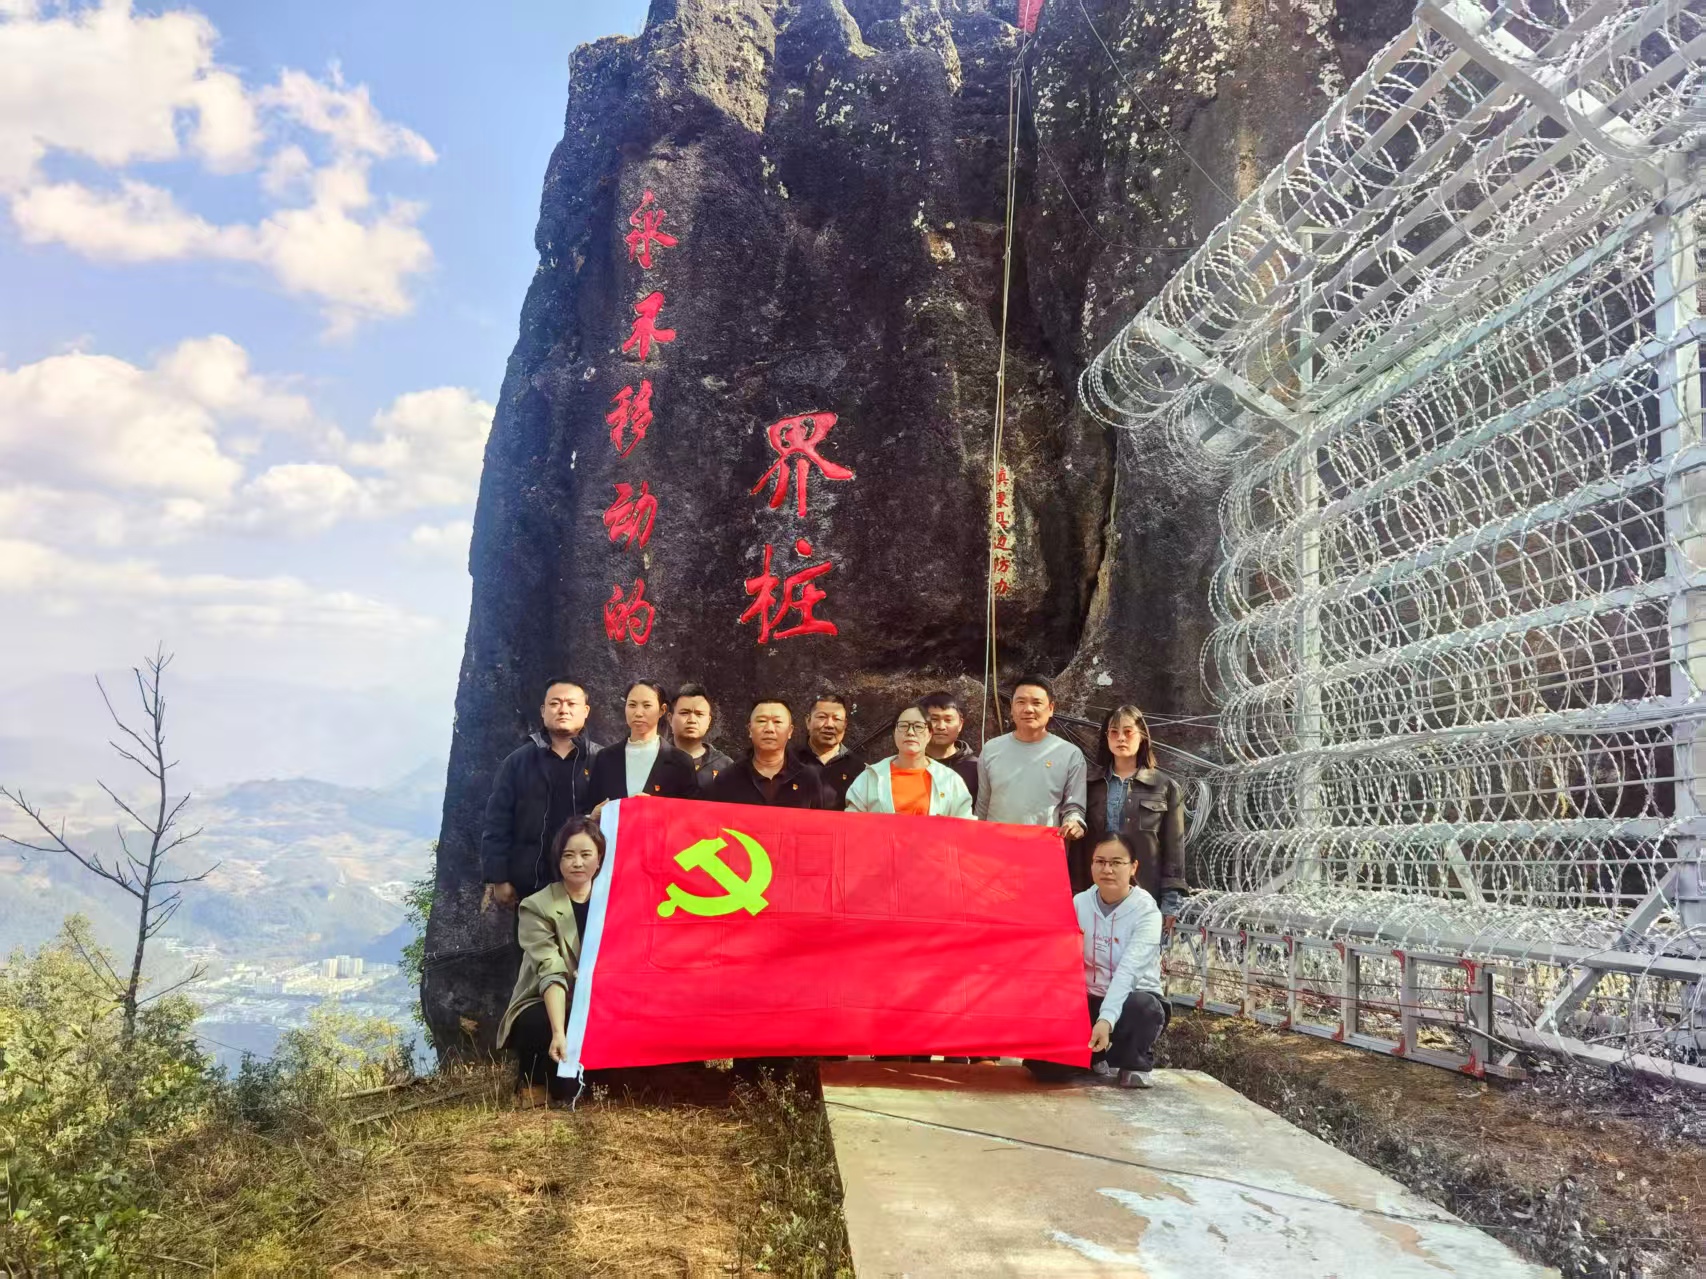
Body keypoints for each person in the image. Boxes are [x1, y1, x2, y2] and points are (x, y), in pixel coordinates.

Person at [1027, 833, 1169, 1089]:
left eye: (1116, 863)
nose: (1107, 870)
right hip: (1088, 1000)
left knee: (1143, 1008)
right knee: (1045, 1069)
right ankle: (1093, 1058)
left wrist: (1105, 1020)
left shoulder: (1147, 912)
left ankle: (1134, 1062)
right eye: (1100, 862)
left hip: (1131, 1000)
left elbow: (1128, 972)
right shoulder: (1079, 903)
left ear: (1133, 867)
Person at [496, 815, 604, 1105]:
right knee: (537, 1022)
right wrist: (559, 1032)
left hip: (599, 998)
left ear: (599, 859)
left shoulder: (613, 901)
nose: (577, 863)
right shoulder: (536, 906)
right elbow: (551, 971)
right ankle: (533, 1081)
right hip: (551, 999)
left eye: (586, 855)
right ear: (558, 860)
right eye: (568, 855)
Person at [480, 678, 599, 908]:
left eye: (571, 704)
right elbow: (497, 821)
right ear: (543, 711)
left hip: (587, 887)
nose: (563, 709)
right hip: (529, 886)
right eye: (555, 703)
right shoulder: (518, 762)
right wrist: (498, 877)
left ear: (585, 711)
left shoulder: (600, 761)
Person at [1076, 705, 1188, 920]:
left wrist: (1171, 902)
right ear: (1106, 737)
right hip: (1093, 897)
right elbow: (1078, 849)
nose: (1121, 738)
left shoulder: (1165, 787)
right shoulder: (1089, 785)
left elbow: (1174, 851)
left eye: (1128, 732)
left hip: (1145, 896)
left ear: (1142, 736)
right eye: (1114, 732)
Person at [974, 675, 1088, 845]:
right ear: (1011, 707)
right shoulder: (991, 749)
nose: (1028, 709)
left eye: (1036, 703)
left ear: (1051, 708)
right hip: (995, 846)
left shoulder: (1070, 754)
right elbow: (982, 805)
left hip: (1043, 848)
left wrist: (1074, 823)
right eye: (1021, 702)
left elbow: (1074, 807)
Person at [845, 702, 975, 817]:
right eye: (903, 726)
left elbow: (964, 827)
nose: (910, 732)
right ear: (894, 733)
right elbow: (852, 824)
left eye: (918, 726)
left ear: (930, 734)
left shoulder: (950, 780)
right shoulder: (870, 778)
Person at [589, 679, 699, 806]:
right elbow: (591, 807)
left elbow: (690, 812)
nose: (638, 713)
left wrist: (657, 807)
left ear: (662, 710)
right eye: (632, 705)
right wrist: (593, 814)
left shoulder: (681, 762)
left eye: (647, 706)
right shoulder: (605, 758)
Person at [707, 697, 830, 808]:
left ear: (790, 731)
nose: (769, 729)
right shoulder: (728, 778)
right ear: (750, 730)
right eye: (761, 721)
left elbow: (817, 823)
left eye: (777, 722)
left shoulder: (808, 778)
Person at [804, 691, 862, 810]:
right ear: (808, 721)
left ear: (845, 724)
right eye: (822, 717)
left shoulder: (860, 770)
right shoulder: (786, 762)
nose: (829, 725)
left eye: (837, 719)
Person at [920, 689, 979, 804]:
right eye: (934, 719)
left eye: (948, 720)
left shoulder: (976, 769)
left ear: (960, 724)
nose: (941, 727)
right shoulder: (908, 764)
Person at [670, 682, 733, 789]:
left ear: (709, 721)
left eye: (699, 714)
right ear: (670, 719)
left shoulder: (725, 766)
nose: (692, 720)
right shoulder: (654, 759)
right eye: (684, 713)